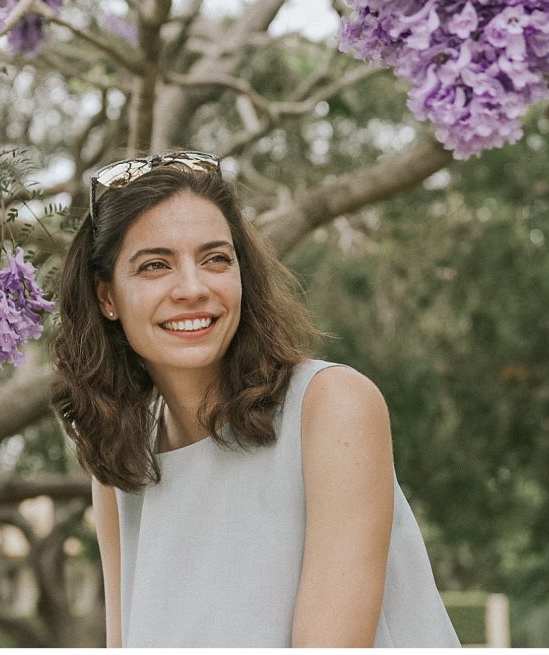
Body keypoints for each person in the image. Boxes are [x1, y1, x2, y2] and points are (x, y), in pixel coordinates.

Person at [49, 151, 461, 648]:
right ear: (106, 298)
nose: (193, 288)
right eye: (155, 265)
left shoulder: (332, 405)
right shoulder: (120, 458)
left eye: (215, 259)